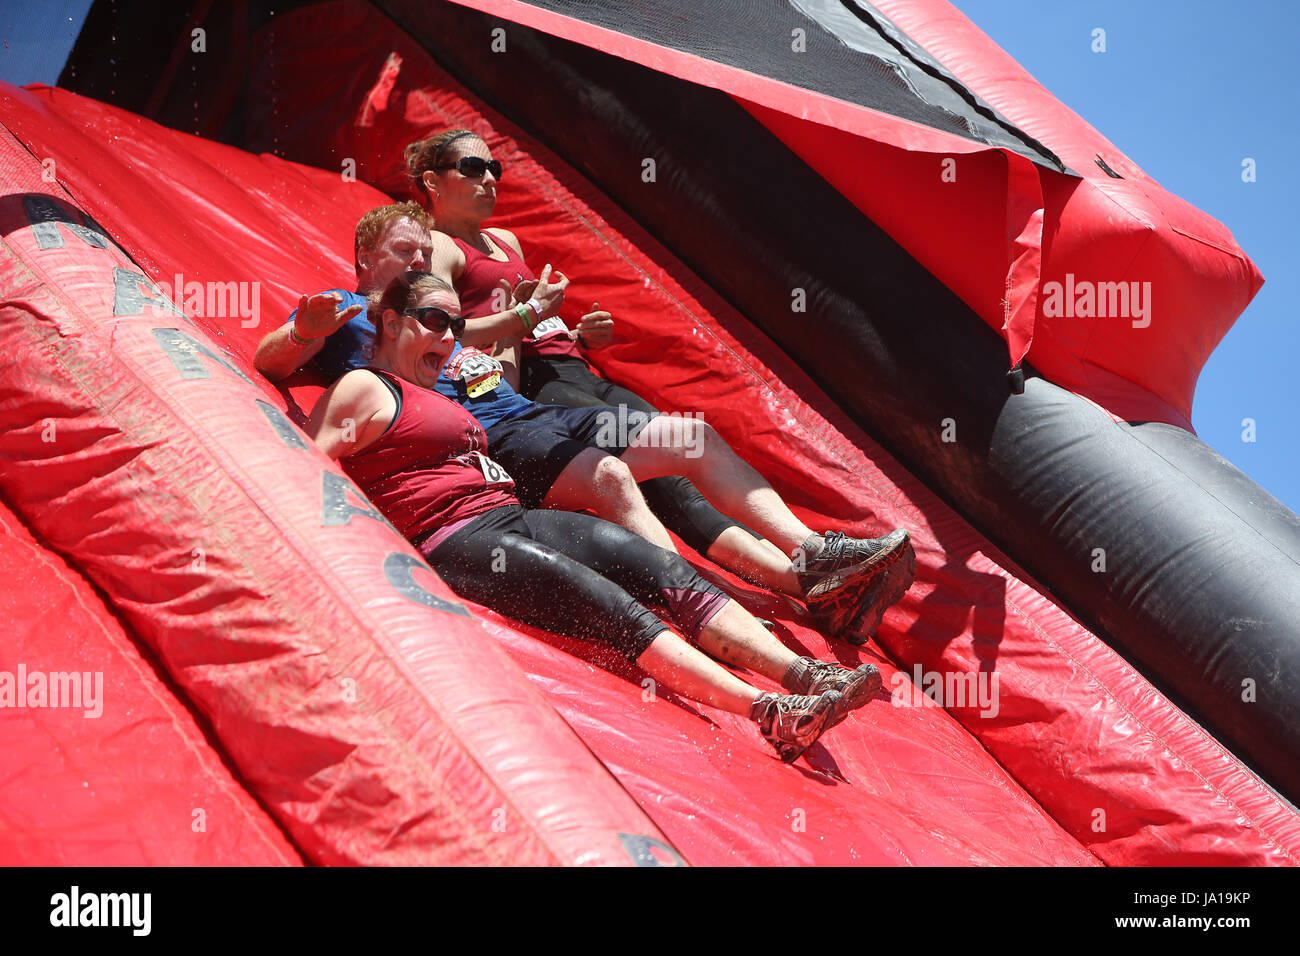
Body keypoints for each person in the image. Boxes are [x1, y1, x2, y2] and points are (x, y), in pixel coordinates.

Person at [254, 203, 914, 642]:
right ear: (366, 257)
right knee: (614, 485)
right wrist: (299, 332)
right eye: (405, 252)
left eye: (426, 254)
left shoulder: (444, 318)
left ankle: (813, 557)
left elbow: (495, 355)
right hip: (502, 442)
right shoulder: (353, 310)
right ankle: (713, 612)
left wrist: (542, 327)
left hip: (535, 415)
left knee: (693, 438)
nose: (420, 264)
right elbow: (274, 359)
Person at [305, 271, 886, 762]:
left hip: (509, 512)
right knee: (609, 601)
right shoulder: (365, 386)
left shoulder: (442, 388)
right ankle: (772, 712)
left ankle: (807, 675)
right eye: (434, 321)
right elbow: (304, 463)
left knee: (661, 567)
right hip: (454, 535)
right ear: (386, 321)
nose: (449, 337)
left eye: (455, 326)